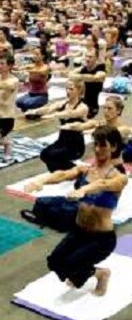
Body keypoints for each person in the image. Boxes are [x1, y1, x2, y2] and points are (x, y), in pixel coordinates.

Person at [25, 126, 127, 295]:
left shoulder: (118, 177)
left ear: (114, 147)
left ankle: (102, 274)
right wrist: (40, 180)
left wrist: (84, 189)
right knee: (54, 261)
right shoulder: (85, 170)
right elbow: (62, 174)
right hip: (79, 231)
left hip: (101, 239)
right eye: (96, 144)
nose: (97, 149)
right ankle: (88, 273)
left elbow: (102, 184)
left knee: (72, 264)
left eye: (103, 145)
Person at [28, 80, 88, 172]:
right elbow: (49, 108)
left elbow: (69, 114)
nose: (68, 91)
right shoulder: (63, 103)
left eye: (71, 89)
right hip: (62, 141)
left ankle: (76, 170)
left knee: (52, 156)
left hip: (75, 146)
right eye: (67, 88)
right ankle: (62, 173)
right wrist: (34, 111)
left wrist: (53, 115)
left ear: (79, 90)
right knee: (44, 155)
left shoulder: (83, 107)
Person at [71, 49, 106, 118]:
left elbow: (96, 77)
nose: (87, 59)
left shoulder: (100, 69)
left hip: (92, 106)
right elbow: (71, 74)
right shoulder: (83, 69)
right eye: (86, 56)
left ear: (96, 58)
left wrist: (79, 77)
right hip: (82, 102)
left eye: (90, 57)